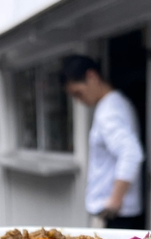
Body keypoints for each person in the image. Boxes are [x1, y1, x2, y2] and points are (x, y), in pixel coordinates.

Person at [62, 55, 145, 229]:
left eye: (78, 93)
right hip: (117, 211)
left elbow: (131, 153)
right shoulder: (116, 103)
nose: (79, 100)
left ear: (92, 76)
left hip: (116, 213)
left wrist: (114, 200)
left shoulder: (109, 110)